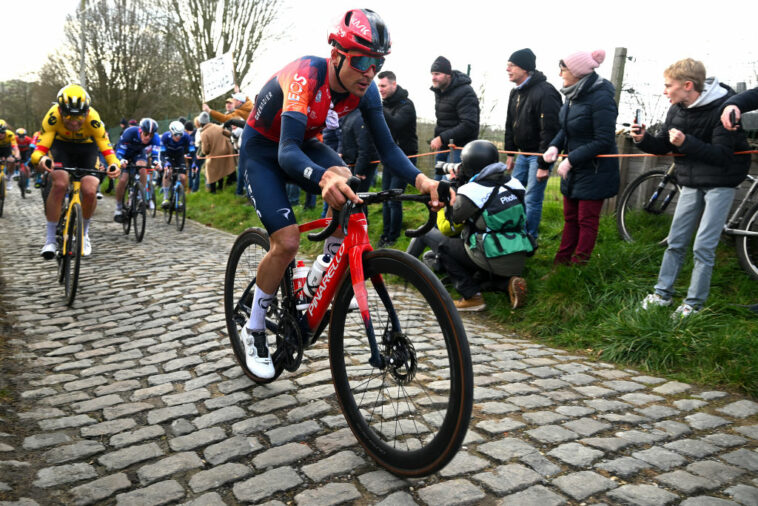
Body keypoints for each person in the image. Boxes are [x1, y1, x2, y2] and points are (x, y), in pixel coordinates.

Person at [237, 8, 446, 378]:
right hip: (265, 151)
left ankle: (322, 271)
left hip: (303, 145)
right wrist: (322, 179)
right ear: (336, 55)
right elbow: (285, 152)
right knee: (285, 243)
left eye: (377, 63)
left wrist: (421, 181)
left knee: (350, 188)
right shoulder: (306, 75)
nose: (369, 71)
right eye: (361, 59)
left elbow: (389, 149)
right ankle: (253, 329)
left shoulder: (365, 92)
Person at [633, 58, 750, 317]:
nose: (664, 91)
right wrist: (643, 139)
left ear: (687, 85)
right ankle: (662, 294)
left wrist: (686, 142)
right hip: (690, 180)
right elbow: (664, 144)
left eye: (668, 85)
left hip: (721, 181)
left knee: (703, 246)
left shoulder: (723, 107)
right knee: (675, 241)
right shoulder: (676, 109)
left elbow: (722, 155)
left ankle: (694, 304)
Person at [543, 49, 619, 265]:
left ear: (577, 71)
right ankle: (561, 263)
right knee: (570, 219)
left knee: (586, 221)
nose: (560, 74)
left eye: (563, 69)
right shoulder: (572, 96)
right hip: (576, 170)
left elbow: (604, 140)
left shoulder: (601, 98)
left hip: (595, 169)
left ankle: (578, 267)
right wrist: (554, 146)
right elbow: (566, 129)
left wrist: (571, 159)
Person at [437, 140, 532, 311]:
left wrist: (453, 186)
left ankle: (472, 296)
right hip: (518, 253)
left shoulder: (472, 191)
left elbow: (453, 220)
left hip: (490, 253)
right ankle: (507, 283)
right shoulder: (515, 184)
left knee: (443, 246)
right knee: (479, 267)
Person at [30, 84, 120, 258]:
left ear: (86, 113)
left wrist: (114, 165)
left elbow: (107, 150)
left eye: (78, 117)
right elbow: (39, 150)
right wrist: (42, 159)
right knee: (60, 183)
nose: (73, 122)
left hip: (87, 149)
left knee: (89, 188)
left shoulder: (94, 120)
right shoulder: (52, 117)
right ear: (60, 110)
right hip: (61, 147)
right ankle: (50, 240)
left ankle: (84, 234)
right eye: (68, 116)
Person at [504, 48, 562, 240]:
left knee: (532, 199)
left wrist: (544, 165)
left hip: (539, 155)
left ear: (525, 68)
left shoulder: (546, 92)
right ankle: (513, 233)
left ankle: (529, 239)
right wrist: (510, 153)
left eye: (512, 65)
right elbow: (510, 124)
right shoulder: (515, 93)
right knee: (512, 194)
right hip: (522, 154)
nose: (507, 69)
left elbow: (551, 130)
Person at [378, 70, 417, 247]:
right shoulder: (385, 104)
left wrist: (378, 109)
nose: (380, 90)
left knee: (394, 198)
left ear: (394, 84)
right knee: (384, 197)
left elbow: (395, 124)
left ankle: (393, 238)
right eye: (378, 86)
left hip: (405, 159)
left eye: (383, 86)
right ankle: (385, 235)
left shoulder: (406, 105)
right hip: (389, 158)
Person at [430, 56, 480, 176]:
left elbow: (469, 124)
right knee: (438, 186)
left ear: (448, 74)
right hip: (444, 147)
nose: (433, 78)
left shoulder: (466, 92)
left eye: (437, 74)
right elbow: (444, 121)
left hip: (460, 148)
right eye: (432, 74)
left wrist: (441, 138)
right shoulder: (439, 91)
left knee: (451, 186)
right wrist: (440, 139)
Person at [114, 118, 161, 222]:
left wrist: (156, 163)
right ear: (140, 131)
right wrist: (121, 160)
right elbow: (120, 150)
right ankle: (118, 207)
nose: (148, 137)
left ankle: (140, 196)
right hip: (125, 153)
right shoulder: (129, 133)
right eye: (145, 134)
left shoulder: (156, 138)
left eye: (151, 135)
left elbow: (155, 155)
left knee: (142, 168)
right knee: (123, 180)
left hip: (139, 154)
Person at [340, 109, 379, 192]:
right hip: (352, 162)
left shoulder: (361, 117)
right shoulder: (348, 114)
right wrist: (341, 152)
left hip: (363, 164)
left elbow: (365, 147)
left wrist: (359, 171)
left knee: (359, 197)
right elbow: (344, 136)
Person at [197, 112, 236, 193]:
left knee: (211, 171)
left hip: (214, 155)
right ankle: (220, 187)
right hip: (225, 152)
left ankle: (213, 190)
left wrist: (202, 154)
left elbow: (206, 150)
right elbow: (228, 134)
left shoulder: (204, 133)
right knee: (220, 169)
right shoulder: (218, 127)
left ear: (200, 123)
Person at [159, 121, 192, 207]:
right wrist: (165, 163)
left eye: (181, 134)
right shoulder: (165, 137)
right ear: (171, 132)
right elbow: (162, 154)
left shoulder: (186, 137)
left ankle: (179, 200)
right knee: (168, 172)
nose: (178, 137)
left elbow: (192, 152)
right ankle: (165, 197)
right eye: (176, 134)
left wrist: (194, 163)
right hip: (168, 156)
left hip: (179, 157)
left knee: (183, 177)